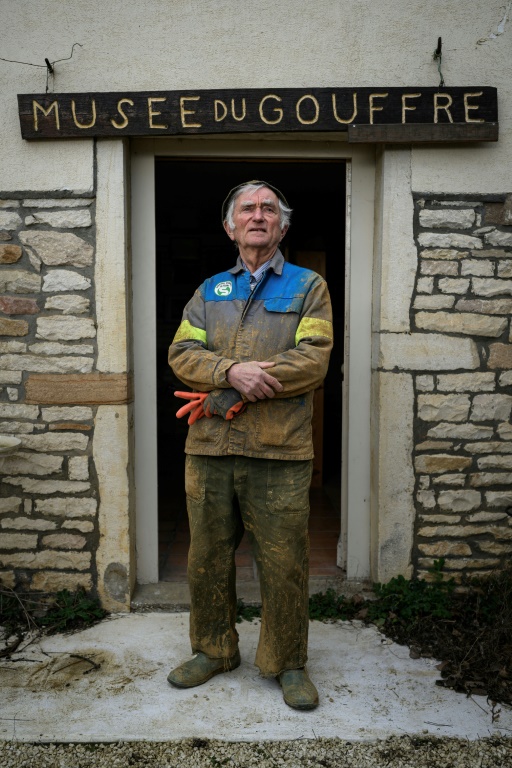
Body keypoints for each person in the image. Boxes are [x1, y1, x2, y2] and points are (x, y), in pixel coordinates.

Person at [167, 180, 333, 710]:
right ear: (229, 226)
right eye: (247, 209)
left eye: (269, 209)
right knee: (207, 557)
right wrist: (229, 370)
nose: (257, 216)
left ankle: (287, 661)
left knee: (283, 561)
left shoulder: (309, 286)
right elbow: (180, 353)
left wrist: (234, 387)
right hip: (209, 448)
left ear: (283, 226)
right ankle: (213, 650)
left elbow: (314, 358)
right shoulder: (209, 290)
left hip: (279, 450)